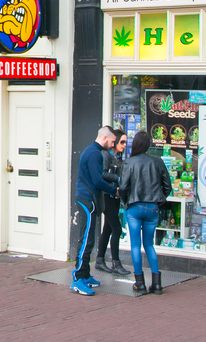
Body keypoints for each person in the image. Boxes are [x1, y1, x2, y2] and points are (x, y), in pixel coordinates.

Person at [120, 130, 172, 296]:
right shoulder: (157, 161)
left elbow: (123, 188)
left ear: (135, 144)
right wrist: (159, 200)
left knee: (135, 245)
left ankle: (140, 283)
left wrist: (126, 202)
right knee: (149, 244)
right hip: (152, 208)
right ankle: (157, 284)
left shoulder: (129, 162)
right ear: (148, 144)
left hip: (134, 207)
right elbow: (167, 186)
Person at [72, 126, 118, 296]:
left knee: (88, 238)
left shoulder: (91, 151)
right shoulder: (94, 154)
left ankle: (84, 274)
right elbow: (98, 180)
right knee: (86, 239)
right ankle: (78, 278)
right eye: (112, 141)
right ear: (105, 138)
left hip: (86, 199)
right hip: (87, 200)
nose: (113, 145)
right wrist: (115, 190)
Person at [96, 127, 130, 276]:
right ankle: (116, 263)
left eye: (125, 143)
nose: (124, 145)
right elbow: (102, 174)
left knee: (108, 229)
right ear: (114, 141)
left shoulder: (117, 158)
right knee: (116, 228)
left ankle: (99, 260)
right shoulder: (106, 155)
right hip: (106, 195)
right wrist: (118, 179)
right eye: (122, 142)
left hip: (115, 196)